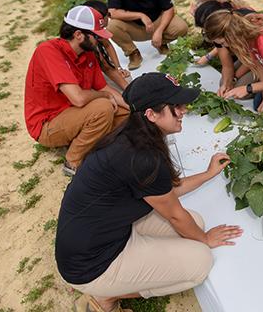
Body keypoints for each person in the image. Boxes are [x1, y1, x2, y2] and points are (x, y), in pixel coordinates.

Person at [55, 72, 243, 312]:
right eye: (175, 105)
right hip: (91, 264)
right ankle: (104, 295)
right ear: (151, 114)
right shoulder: (142, 158)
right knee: (200, 260)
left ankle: (126, 268)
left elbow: (166, 190)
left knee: (195, 221)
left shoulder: (133, 137)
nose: (184, 109)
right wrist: (205, 239)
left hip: (101, 235)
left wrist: (207, 174)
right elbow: (174, 214)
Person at [24, 6, 129, 176]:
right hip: (48, 123)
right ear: (78, 34)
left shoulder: (87, 53)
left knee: (127, 114)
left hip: (75, 114)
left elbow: (104, 87)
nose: (99, 41)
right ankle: (73, 161)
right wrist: (105, 96)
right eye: (96, 36)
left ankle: (91, 143)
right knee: (103, 108)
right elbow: (79, 98)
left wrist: (135, 107)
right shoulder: (48, 51)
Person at [107, 0, 188, 70]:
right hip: (134, 26)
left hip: (156, 22)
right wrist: (140, 15)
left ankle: (161, 43)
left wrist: (159, 30)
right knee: (111, 26)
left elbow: (169, 9)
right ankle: (133, 53)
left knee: (181, 27)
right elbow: (112, 12)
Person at [190, 0, 251, 67]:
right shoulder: (216, 4)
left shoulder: (219, 11)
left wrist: (208, 57)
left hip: (245, 46)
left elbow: (223, 38)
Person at [83, 0, 131, 90]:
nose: (109, 17)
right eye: (107, 15)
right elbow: (106, 67)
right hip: (91, 76)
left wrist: (118, 68)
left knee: (126, 78)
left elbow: (107, 45)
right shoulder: (90, 39)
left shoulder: (94, 30)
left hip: (100, 69)